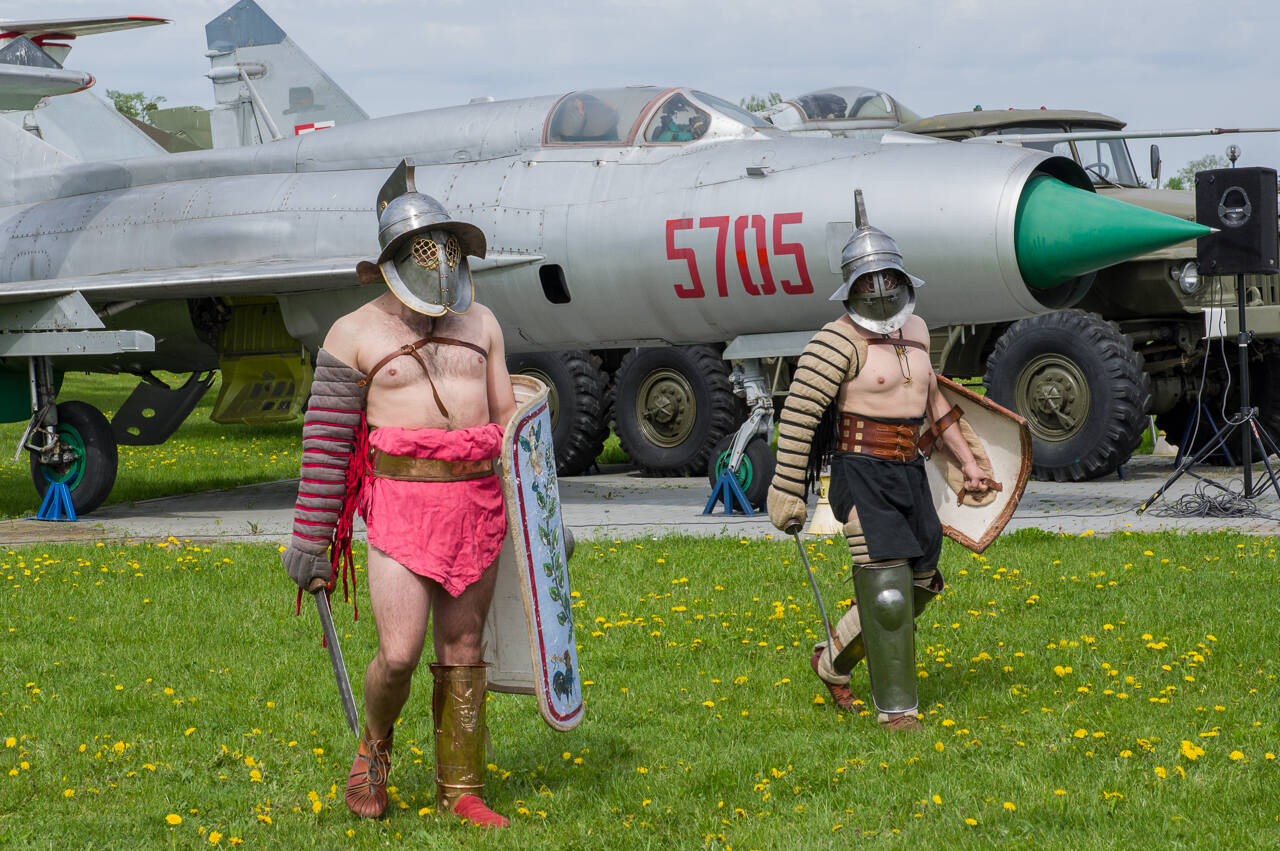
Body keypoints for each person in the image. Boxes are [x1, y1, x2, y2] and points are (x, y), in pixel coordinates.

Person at [280, 185, 516, 826]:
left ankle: (461, 789)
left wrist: (543, 515)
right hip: (400, 508)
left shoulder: (483, 323)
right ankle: (375, 746)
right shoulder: (352, 332)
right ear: (392, 259)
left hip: (476, 504)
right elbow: (328, 444)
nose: (439, 261)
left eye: (447, 249)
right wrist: (311, 540)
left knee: (464, 646)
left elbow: (509, 424)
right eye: (425, 250)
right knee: (400, 654)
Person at [766, 199, 995, 731]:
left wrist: (968, 463)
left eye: (886, 278)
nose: (879, 290)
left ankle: (832, 661)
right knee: (888, 592)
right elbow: (799, 416)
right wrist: (787, 490)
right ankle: (897, 712)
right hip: (862, 471)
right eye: (867, 281)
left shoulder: (917, 330)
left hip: (910, 469)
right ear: (851, 286)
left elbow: (934, 403)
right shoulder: (836, 341)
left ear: (901, 277)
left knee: (921, 581)